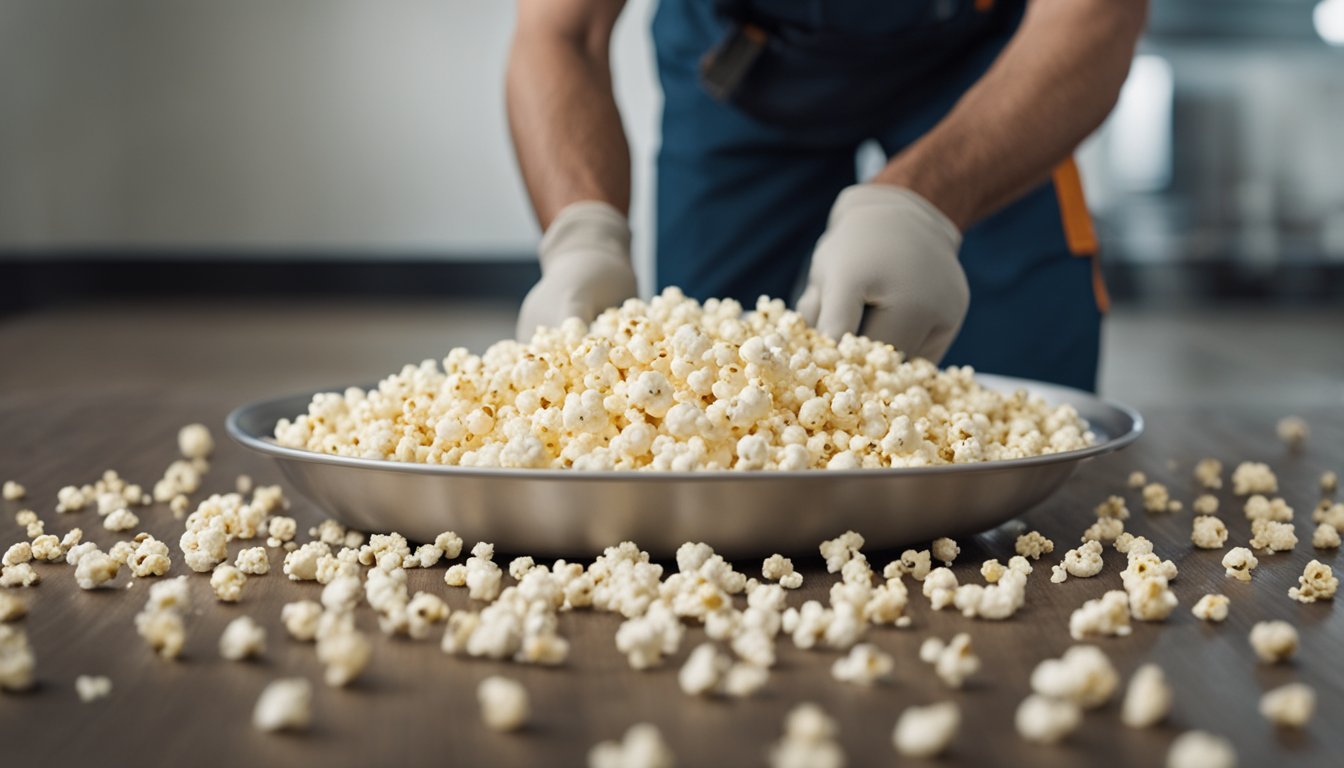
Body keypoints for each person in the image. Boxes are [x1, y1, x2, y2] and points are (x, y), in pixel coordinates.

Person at [507, 0, 1148, 391]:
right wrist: (582, 237)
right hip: (745, 65)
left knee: (1025, 396)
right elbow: (562, 31)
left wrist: (920, 205)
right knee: (698, 388)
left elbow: (1094, 12)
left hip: (983, 65)